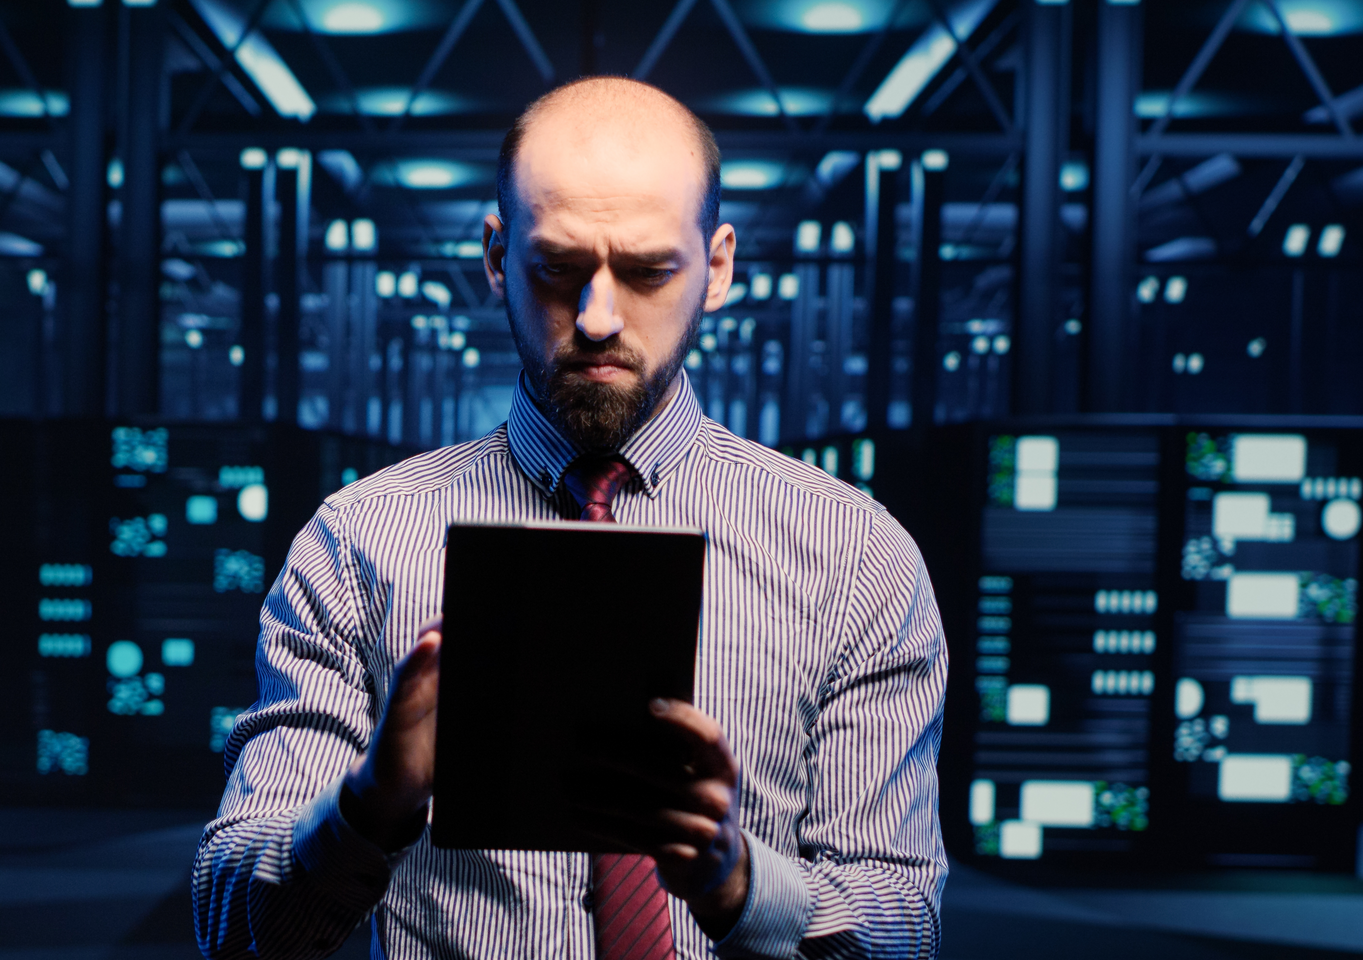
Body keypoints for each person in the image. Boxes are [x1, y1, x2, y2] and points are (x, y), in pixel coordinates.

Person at [193, 76, 946, 960]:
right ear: (494, 256)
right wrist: (369, 808)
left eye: (647, 270)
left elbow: (905, 926)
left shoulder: (854, 556)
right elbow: (232, 929)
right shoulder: (354, 545)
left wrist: (740, 883)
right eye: (557, 268)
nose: (597, 317)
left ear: (721, 266)